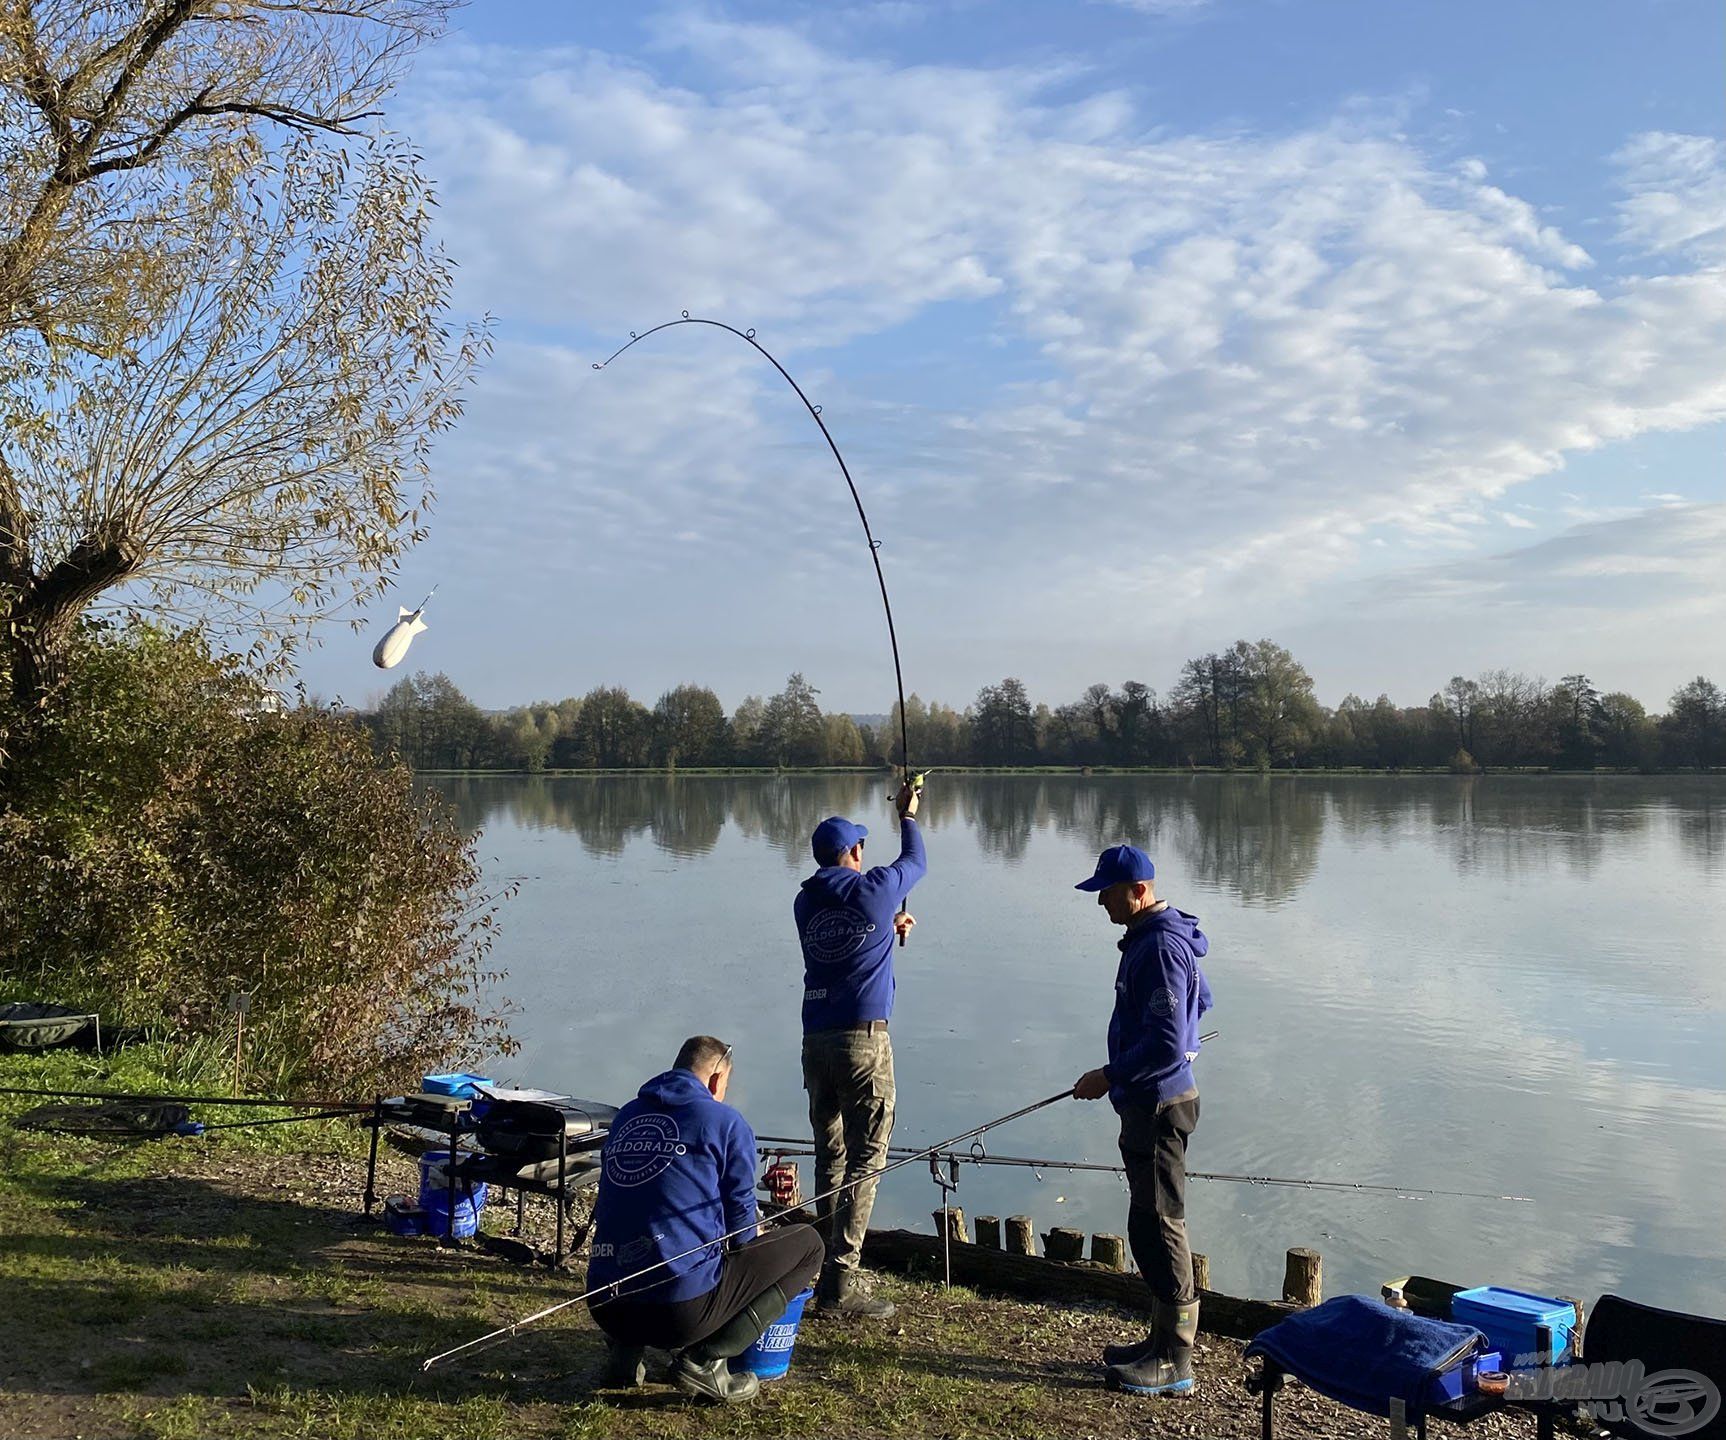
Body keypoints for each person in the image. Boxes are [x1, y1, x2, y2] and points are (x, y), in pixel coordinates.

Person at [586, 1035, 824, 1404]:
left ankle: (624, 1355)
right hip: (679, 1316)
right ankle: (705, 1362)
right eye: (725, 1085)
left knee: (638, 1224)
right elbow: (743, 1230)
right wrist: (754, 1251)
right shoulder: (725, 1122)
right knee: (809, 1245)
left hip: (605, 1304)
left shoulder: (626, 1117)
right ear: (716, 1077)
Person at [1070, 844, 1213, 1396]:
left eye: (1106, 892)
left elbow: (1167, 1041)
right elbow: (1202, 1002)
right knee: (1146, 1222)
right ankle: (1159, 1341)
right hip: (1150, 1101)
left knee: (1159, 1225)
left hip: (1158, 1105)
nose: (1100, 902)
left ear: (1138, 891)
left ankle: (1176, 1360)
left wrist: (1109, 1074)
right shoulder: (1156, 940)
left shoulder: (1158, 948)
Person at [794, 779, 925, 1318]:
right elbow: (916, 860)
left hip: (815, 1041)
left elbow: (843, 937)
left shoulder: (805, 901)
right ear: (853, 853)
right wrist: (908, 813)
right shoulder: (874, 888)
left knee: (830, 1156)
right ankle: (841, 1282)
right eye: (862, 847)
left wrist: (884, 925)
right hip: (863, 1043)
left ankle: (817, 1266)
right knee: (867, 1160)